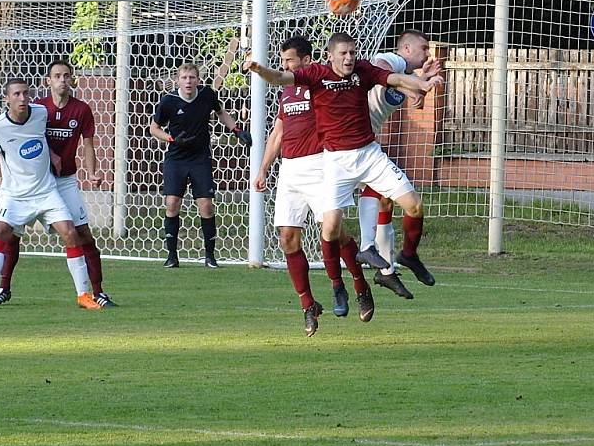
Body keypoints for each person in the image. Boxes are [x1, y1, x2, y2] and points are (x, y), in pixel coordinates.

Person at [244, 32, 442, 321]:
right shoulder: (311, 77)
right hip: (324, 164)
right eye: (343, 54)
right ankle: (337, 287)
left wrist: (422, 83)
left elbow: (395, 79)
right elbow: (278, 86)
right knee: (320, 232)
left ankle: (397, 261)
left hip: (355, 156)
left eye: (352, 52)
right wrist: (259, 69)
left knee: (408, 206)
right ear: (330, 56)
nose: (349, 58)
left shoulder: (361, 69)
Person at [254, 36, 388, 336]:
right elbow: (278, 131)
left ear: (305, 59)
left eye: (289, 60)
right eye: (283, 60)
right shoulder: (287, 91)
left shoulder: (322, 82)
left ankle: (359, 284)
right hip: (290, 170)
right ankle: (308, 305)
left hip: (321, 164)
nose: (284, 65)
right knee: (287, 239)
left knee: (336, 234)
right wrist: (264, 167)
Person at [0, 60, 116, 308]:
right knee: (11, 235)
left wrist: (93, 172)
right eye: (57, 76)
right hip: (31, 184)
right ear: (48, 81)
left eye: (66, 76)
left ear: (72, 79)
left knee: (82, 233)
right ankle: (3, 288)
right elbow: (7, 134)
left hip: (63, 181)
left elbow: (88, 144)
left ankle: (97, 292)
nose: (62, 80)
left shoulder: (82, 110)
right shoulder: (38, 108)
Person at [358, 30, 441, 299]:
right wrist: (412, 81)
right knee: (329, 220)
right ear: (405, 48)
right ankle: (372, 264)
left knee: (390, 201)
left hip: (366, 143)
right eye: (423, 48)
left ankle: (393, 265)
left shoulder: (407, 73)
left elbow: (416, 103)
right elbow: (380, 70)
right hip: (345, 145)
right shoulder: (391, 60)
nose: (428, 53)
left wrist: (422, 82)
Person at [149, 62, 252, 268]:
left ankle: (210, 257)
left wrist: (237, 131)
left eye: (192, 78)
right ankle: (171, 256)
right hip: (176, 158)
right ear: (177, 80)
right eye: (184, 78)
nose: (188, 81)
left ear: (198, 80)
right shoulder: (169, 101)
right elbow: (154, 128)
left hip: (200, 158)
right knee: (172, 203)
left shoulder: (206, 95)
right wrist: (172, 140)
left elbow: (221, 112)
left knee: (206, 205)